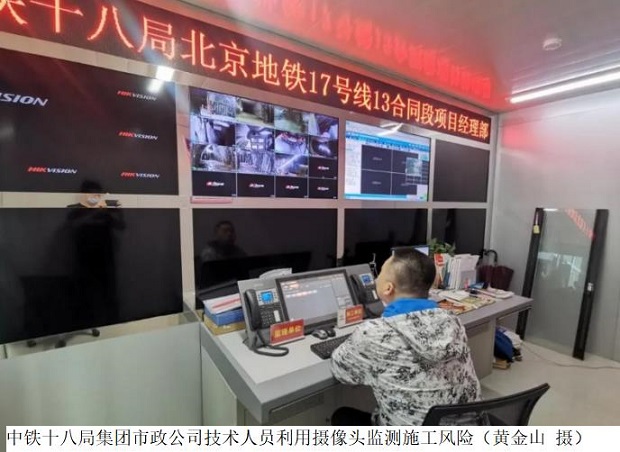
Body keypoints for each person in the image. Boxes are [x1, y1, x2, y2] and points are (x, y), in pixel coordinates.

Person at [330, 248, 481, 426]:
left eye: (380, 274)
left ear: (388, 288)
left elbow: (341, 371)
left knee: (342, 416)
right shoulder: (452, 320)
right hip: (468, 430)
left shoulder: (373, 333)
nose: (376, 279)